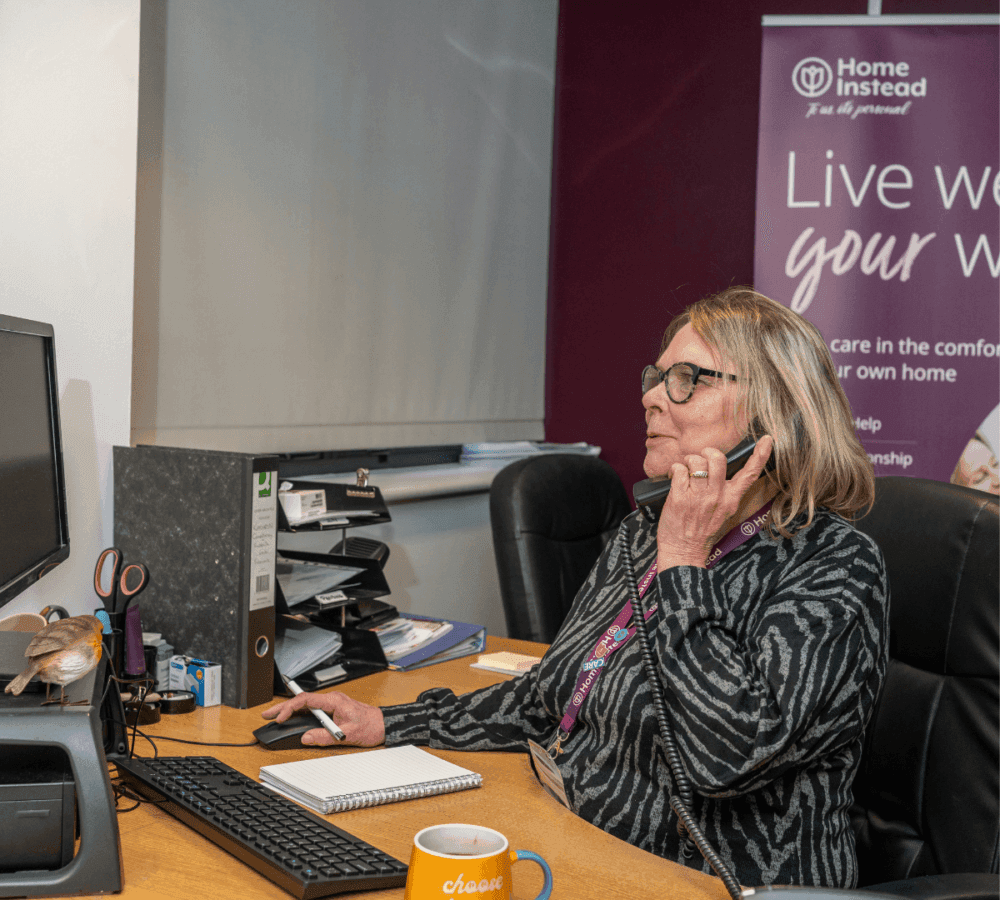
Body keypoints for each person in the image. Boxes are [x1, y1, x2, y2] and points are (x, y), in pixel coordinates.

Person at [263, 287, 889, 890]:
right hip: (576, 846)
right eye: (656, 377)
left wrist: (682, 562)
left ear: (776, 412)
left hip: (714, 883)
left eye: (686, 380)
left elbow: (727, 758)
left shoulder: (836, 566)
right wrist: (390, 721)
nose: (650, 397)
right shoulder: (644, 533)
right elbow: (552, 694)